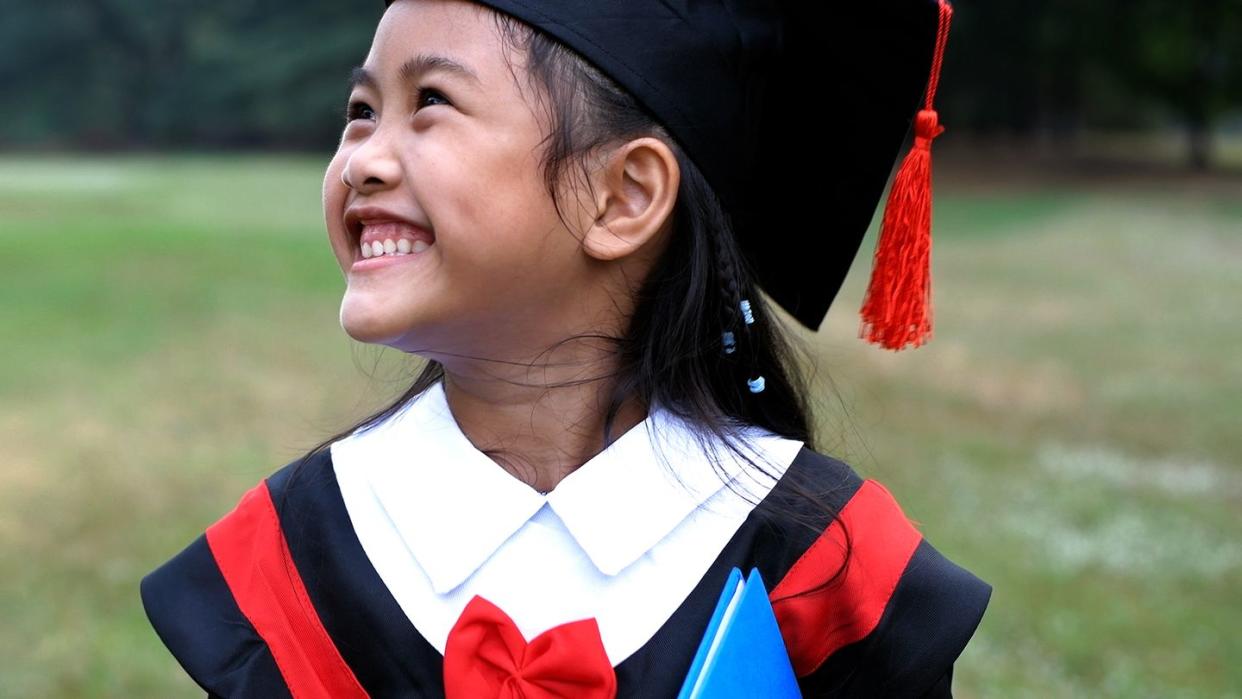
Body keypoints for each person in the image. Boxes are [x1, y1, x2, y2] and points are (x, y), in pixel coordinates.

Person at [139, 0, 992, 697]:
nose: (361, 160)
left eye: (429, 102)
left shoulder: (817, 565)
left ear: (623, 196)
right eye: (361, 113)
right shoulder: (299, 553)